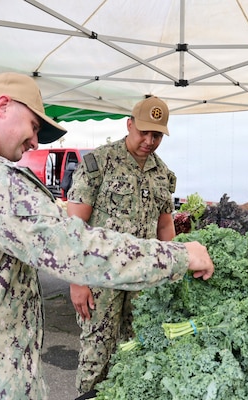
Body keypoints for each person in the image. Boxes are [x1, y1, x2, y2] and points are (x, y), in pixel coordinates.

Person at [0, 72, 214, 399]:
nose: (35, 142)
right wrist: (180, 256)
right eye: (34, 126)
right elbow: (73, 246)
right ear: (3, 106)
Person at [66, 96, 176, 394]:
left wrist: (174, 274)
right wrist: (77, 281)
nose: (150, 141)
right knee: (96, 355)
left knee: (134, 352)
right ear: (129, 124)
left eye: (157, 135)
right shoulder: (99, 163)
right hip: (101, 279)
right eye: (144, 132)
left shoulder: (163, 174)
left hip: (143, 281)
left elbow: (165, 227)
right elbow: (74, 227)